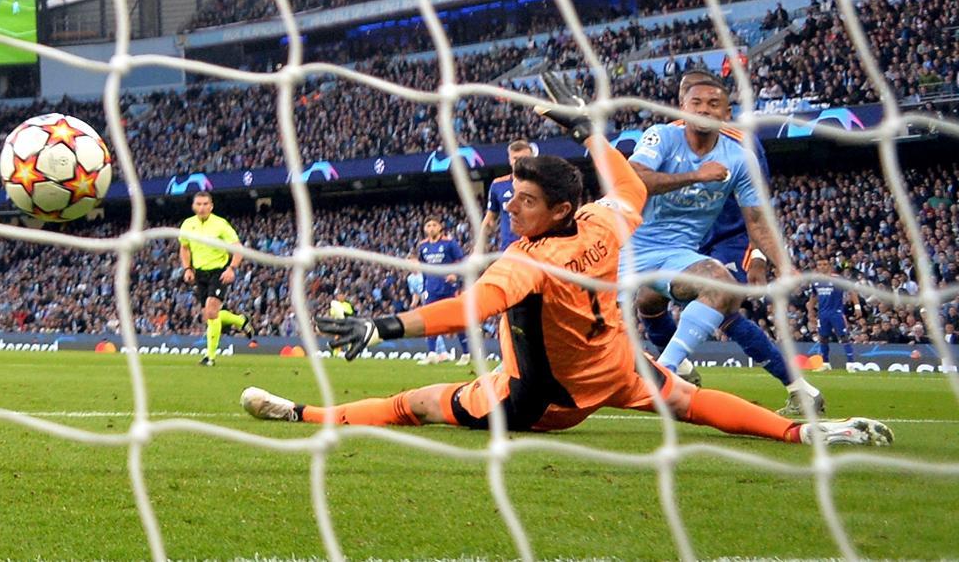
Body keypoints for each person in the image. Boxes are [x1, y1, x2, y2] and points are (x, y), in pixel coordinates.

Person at [240, 111, 891, 447]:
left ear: (555, 209)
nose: (511, 205)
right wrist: (590, 132)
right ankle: (801, 432)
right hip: (612, 370)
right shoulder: (603, 222)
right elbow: (631, 185)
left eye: (523, 199)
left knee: (418, 403)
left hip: (539, 402)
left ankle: (300, 411)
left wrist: (385, 325)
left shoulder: (524, 260)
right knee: (691, 403)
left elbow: (464, 309)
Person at [623, 69, 824, 416]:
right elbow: (633, 178)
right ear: (681, 104)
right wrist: (696, 176)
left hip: (722, 239)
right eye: (693, 101)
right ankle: (681, 370)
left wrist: (772, 259)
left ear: (726, 110)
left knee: (724, 297)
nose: (702, 109)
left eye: (712, 103)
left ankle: (667, 374)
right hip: (632, 243)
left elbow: (758, 216)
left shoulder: (741, 149)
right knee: (647, 303)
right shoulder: (660, 136)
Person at [178, 191, 255, 365]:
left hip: (218, 272)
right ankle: (239, 320)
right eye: (198, 204)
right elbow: (185, 248)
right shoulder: (187, 225)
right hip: (199, 273)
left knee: (211, 311)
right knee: (209, 314)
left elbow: (237, 248)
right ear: (193, 206)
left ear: (211, 206)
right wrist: (187, 268)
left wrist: (231, 268)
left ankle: (210, 357)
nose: (202, 207)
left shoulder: (220, 225)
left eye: (205, 204)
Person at [414, 216, 467, 365]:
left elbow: (462, 262)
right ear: (425, 229)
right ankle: (431, 353)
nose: (431, 228)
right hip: (432, 289)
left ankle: (466, 353)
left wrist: (455, 275)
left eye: (434, 225)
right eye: (428, 225)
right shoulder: (423, 247)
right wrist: (424, 288)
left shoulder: (449, 243)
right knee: (430, 320)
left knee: (457, 322)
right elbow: (424, 269)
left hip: (449, 288)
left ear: (440, 227)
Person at [481, 139, 536, 252]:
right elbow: (490, 219)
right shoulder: (498, 185)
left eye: (524, 159)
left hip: (536, 249)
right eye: (515, 159)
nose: (519, 162)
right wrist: (479, 246)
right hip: (509, 251)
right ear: (510, 160)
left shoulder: (543, 184)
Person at [807, 258, 858, 371]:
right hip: (822, 314)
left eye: (825, 264)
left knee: (843, 337)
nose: (822, 267)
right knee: (823, 338)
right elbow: (814, 296)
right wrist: (810, 311)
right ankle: (825, 363)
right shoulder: (815, 281)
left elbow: (852, 291)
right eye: (819, 264)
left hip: (836, 313)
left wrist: (857, 306)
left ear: (829, 266)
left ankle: (850, 364)